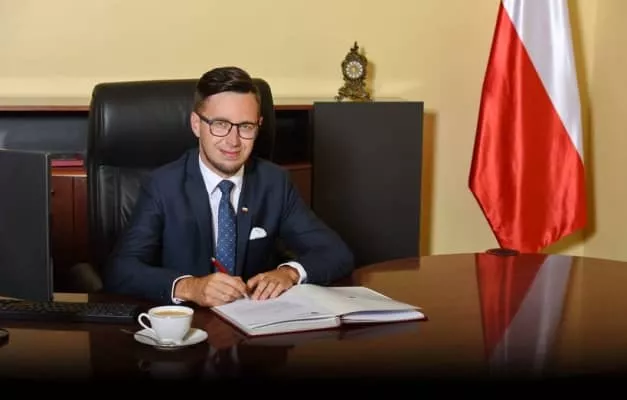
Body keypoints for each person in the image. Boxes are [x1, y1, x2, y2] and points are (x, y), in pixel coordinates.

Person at [103, 66, 354, 307]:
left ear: (258, 126)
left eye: (246, 126)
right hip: (188, 322)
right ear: (196, 124)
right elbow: (120, 270)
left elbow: (336, 253)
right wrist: (190, 287)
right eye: (220, 124)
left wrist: (290, 273)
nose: (233, 141)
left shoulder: (274, 182)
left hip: (255, 322)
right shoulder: (162, 185)